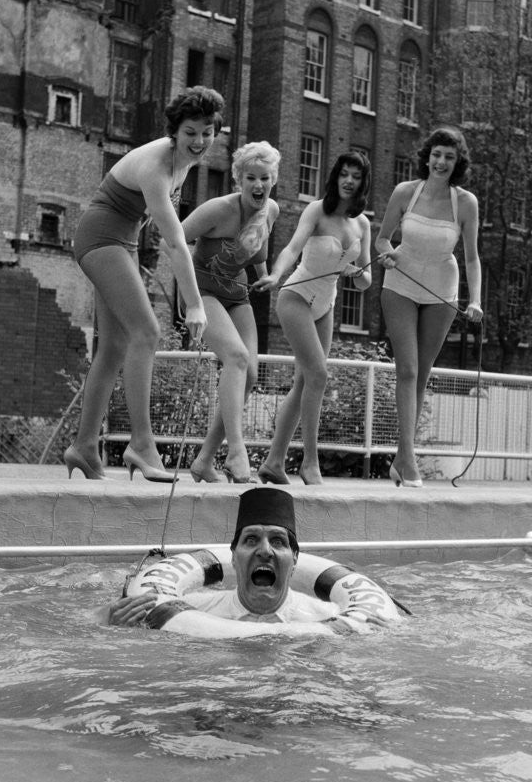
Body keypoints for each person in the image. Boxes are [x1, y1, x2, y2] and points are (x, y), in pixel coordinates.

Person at [65, 86, 224, 481]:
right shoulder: (157, 164)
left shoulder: (184, 161)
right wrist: (195, 304)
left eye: (207, 131)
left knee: (116, 345)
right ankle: (140, 443)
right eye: (191, 132)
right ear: (174, 132)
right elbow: (173, 241)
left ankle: (84, 446)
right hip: (101, 237)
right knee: (147, 332)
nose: (200, 141)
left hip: (124, 241)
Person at [252, 151, 372, 485]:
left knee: (304, 382)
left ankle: (274, 462)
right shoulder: (317, 210)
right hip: (296, 296)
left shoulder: (362, 224)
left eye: (356, 176)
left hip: (327, 304)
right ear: (335, 176)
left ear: (364, 183)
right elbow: (292, 249)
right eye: (344, 174)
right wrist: (276, 274)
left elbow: (365, 282)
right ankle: (309, 461)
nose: (349, 181)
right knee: (318, 375)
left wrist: (358, 271)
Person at [106, 487, 387, 628]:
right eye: (251, 539)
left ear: (295, 560)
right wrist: (111, 620)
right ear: (233, 557)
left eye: (278, 541)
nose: (264, 550)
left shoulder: (329, 618)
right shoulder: (189, 611)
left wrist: (381, 634)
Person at [375, 126, 483, 488]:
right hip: (400, 284)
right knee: (406, 369)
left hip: (442, 291)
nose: (441, 162)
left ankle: (400, 459)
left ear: (457, 163)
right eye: (436, 155)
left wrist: (476, 300)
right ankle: (409, 461)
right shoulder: (405, 192)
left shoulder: (465, 203)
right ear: (427, 157)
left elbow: (471, 258)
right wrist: (385, 255)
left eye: (449, 157)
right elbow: (381, 237)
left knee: (422, 374)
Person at [181, 142, 281, 483]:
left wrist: (265, 274)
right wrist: (191, 299)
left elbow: (257, 251)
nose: (258, 185)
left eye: (264, 178)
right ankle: (237, 453)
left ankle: (204, 460)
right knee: (236, 358)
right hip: (203, 293)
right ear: (239, 179)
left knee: (249, 374)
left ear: (272, 180)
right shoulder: (217, 210)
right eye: (250, 177)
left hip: (238, 296)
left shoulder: (272, 211)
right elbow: (174, 240)